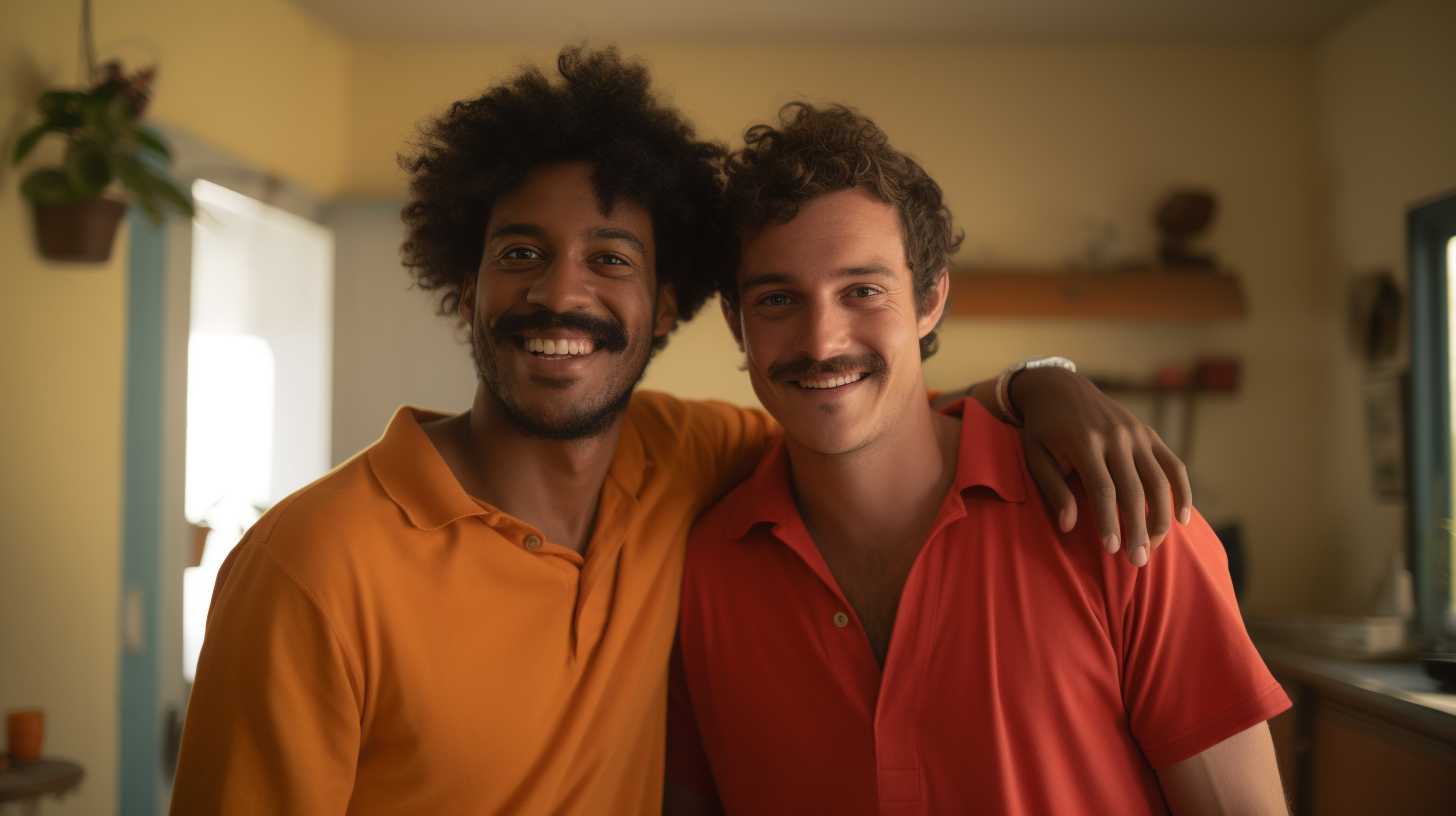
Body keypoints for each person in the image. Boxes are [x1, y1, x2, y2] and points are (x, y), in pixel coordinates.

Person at [169, 48, 1191, 815]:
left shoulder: (694, 463)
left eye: (609, 259)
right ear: (465, 288)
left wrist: (1042, 382)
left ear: (667, 307)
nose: (559, 291)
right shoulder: (311, 563)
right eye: (520, 252)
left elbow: (865, 407)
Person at [665, 102, 1290, 816]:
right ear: (735, 323)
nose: (822, 339)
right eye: (778, 299)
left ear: (930, 299)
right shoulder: (702, 572)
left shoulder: (1121, 518)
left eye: (862, 291)